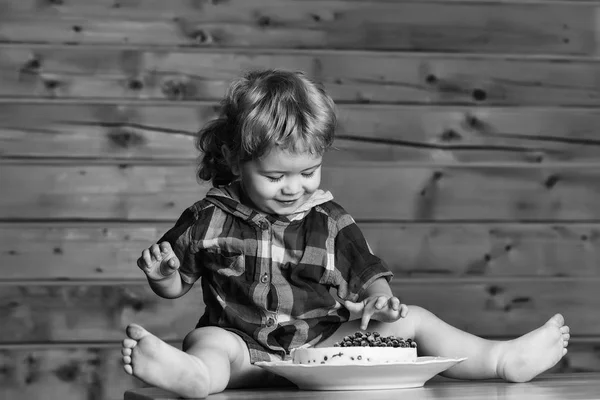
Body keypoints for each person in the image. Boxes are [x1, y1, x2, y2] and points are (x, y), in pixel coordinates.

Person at [121, 69, 570, 398]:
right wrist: (163, 276)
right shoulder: (208, 216)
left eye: (309, 171)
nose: (294, 187)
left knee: (413, 319)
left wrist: (379, 299)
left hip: (323, 351)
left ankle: (500, 360)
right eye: (276, 177)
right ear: (235, 159)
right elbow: (177, 284)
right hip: (245, 351)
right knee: (209, 343)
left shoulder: (330, 217)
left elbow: (368, 271)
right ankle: (195, 378)